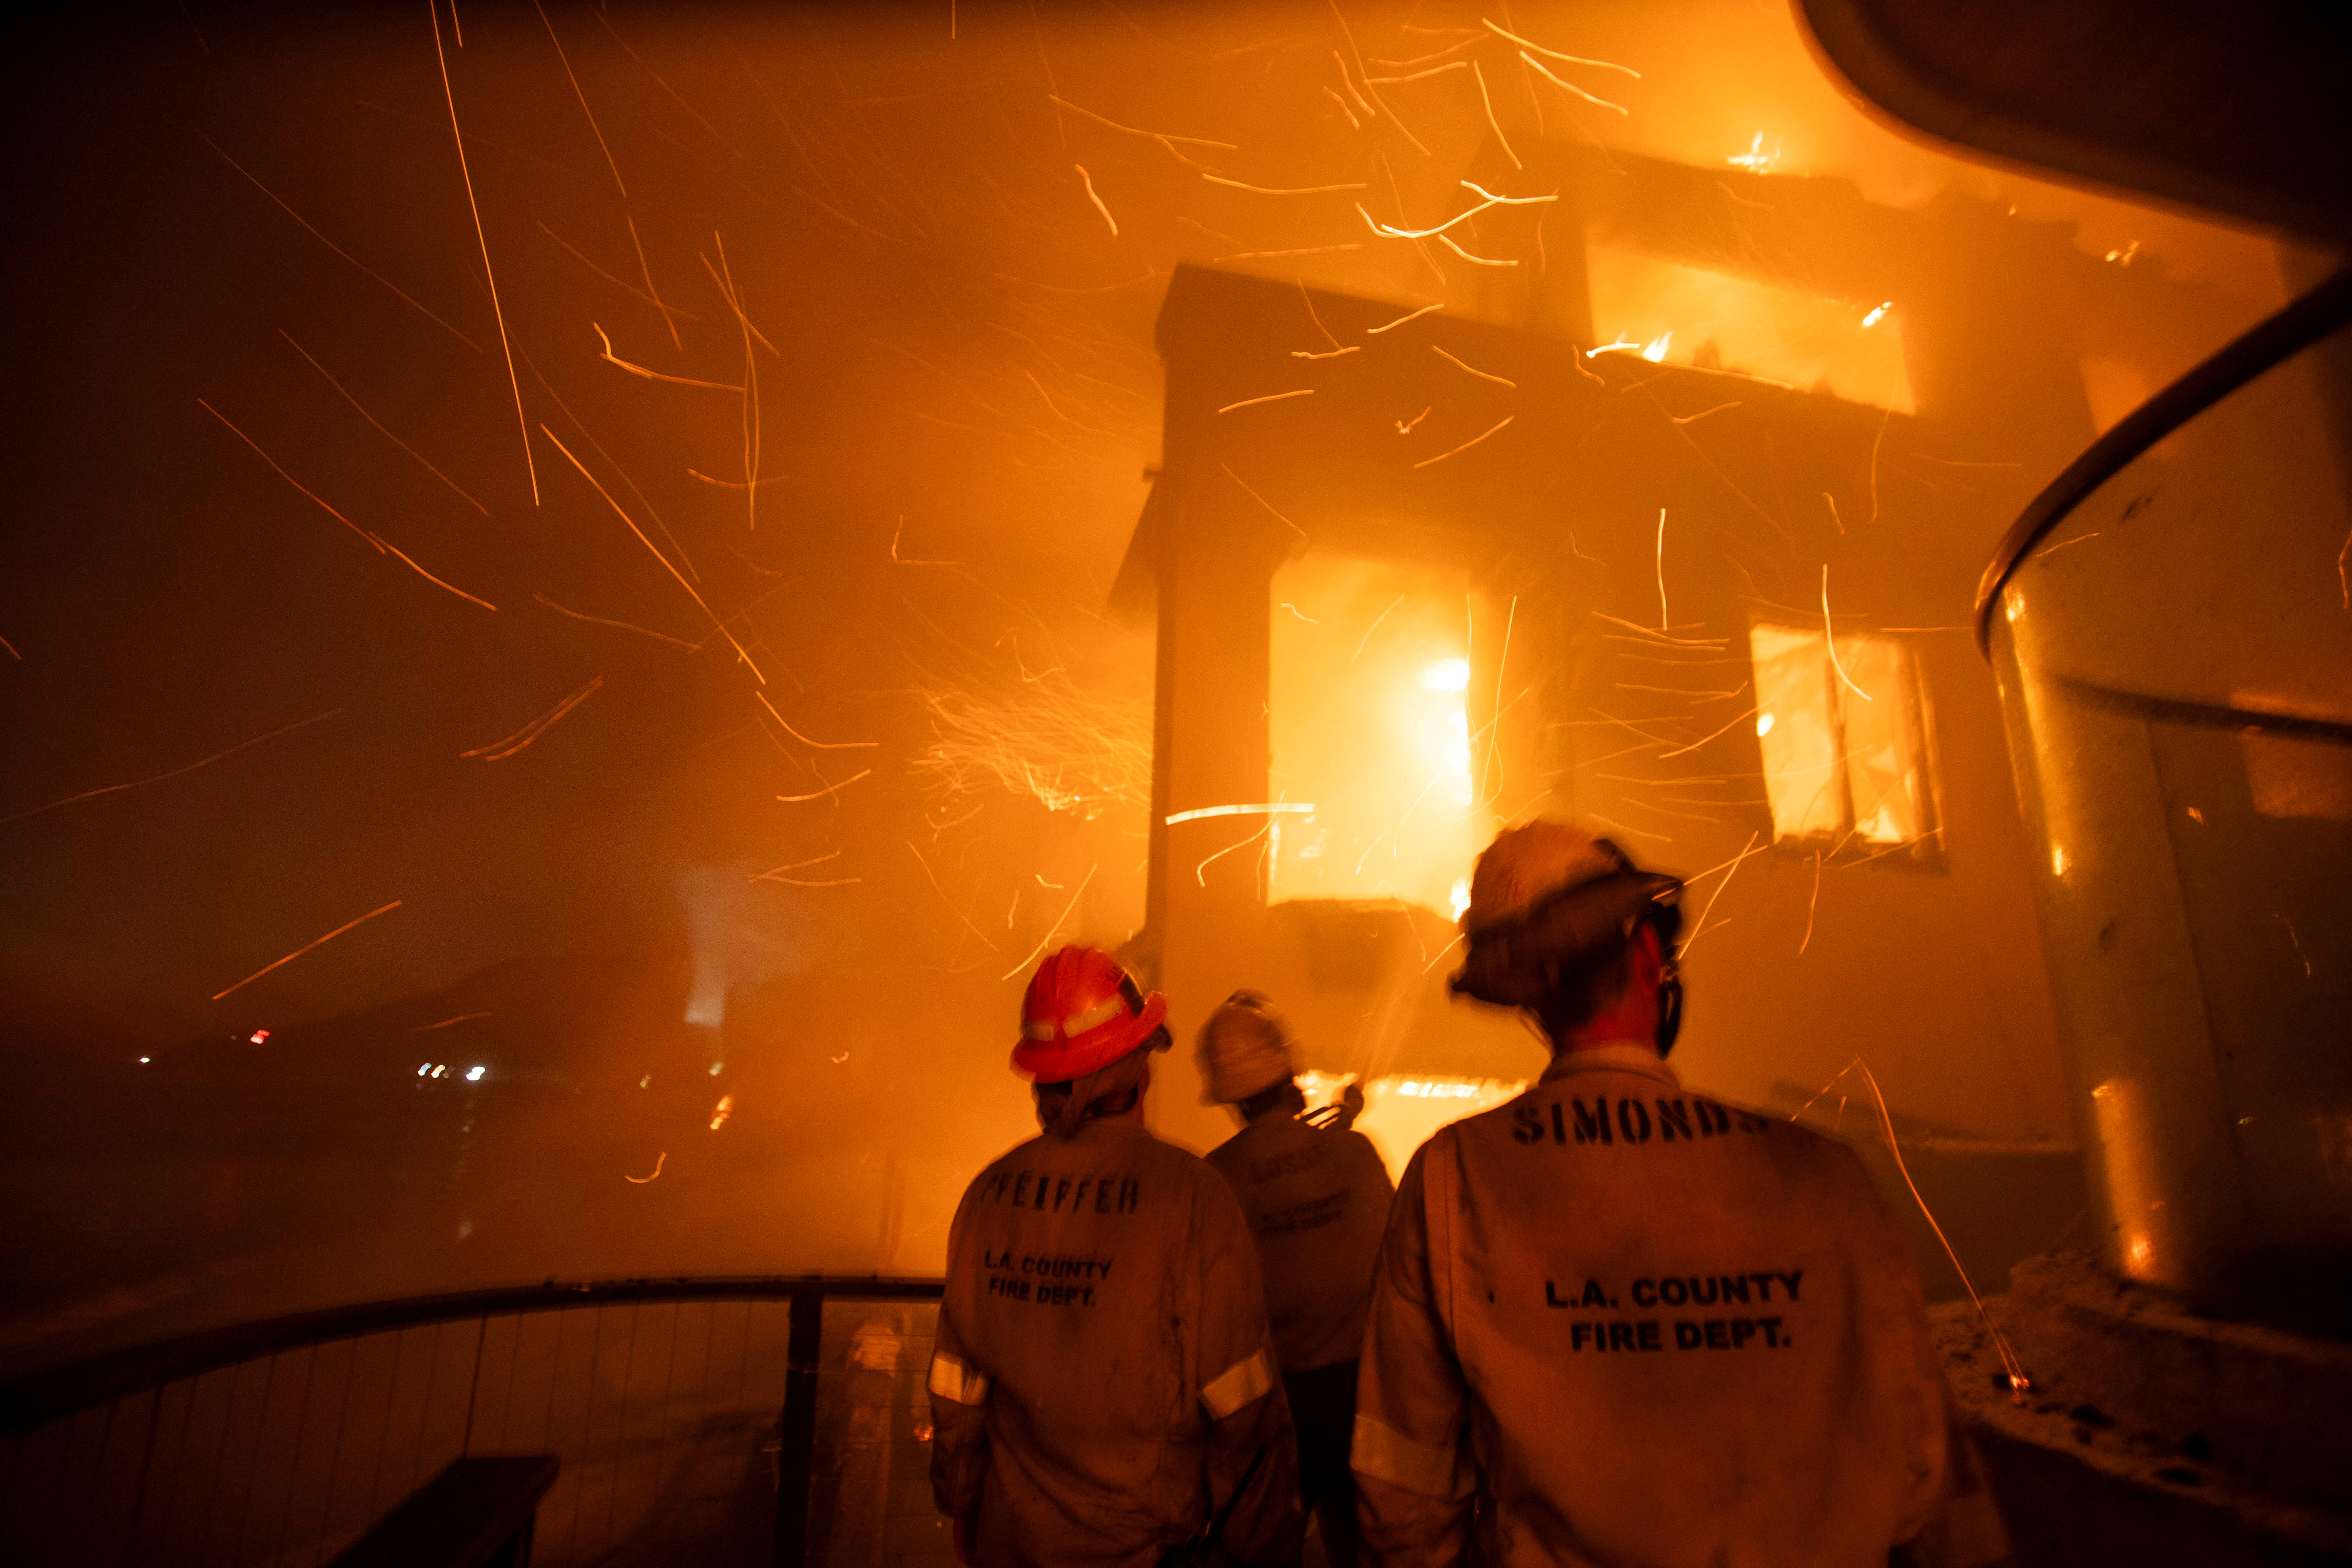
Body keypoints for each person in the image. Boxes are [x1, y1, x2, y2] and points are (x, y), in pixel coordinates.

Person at [1350, 821, 2012, 1568]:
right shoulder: (1825, 1179)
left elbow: (1402, 1495)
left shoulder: (1452, 1180)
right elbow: (1928, 1477)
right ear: (1644, 955)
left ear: (1526, 994)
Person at [928, 945, 1304, 1568]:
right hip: (1143, 1551)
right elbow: (1245, 1414)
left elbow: (956, 1393)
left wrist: (963, 1504)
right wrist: (1259, 1547)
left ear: (1042, 1075)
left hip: (1009, 1546)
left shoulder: (987, 1195)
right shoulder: (1190, 1197)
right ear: (1136, 1062)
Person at [1198, 993, 1395, 1568]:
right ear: (1288, 1072)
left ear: (1230, 1098)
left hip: (1269, 1409)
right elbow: (1394, 1266)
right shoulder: (1353, 1152)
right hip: (1361, 1398)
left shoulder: (1216, 1179)